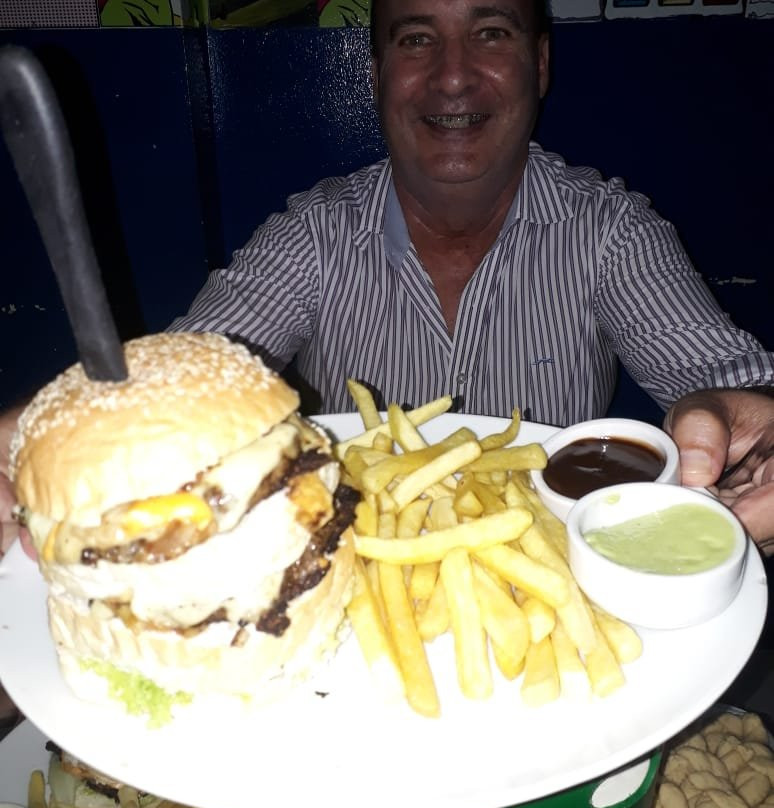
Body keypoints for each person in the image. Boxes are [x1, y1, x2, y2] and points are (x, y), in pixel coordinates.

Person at [0, 0, 772, 552]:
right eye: (416, 39)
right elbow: (183, 375)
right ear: (376, 73)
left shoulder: (610, 230)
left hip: (564, 607)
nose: (453, 77)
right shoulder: (313, 235)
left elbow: (730, 386)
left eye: (490, 33)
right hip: (347, 614)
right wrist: (40, 436)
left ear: (539, 64)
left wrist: (757, 437)